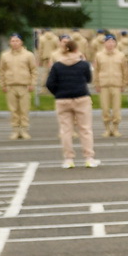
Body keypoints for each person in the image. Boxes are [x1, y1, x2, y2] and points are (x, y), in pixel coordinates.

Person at [46, 36, 97, 168]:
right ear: (77, 49)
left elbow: (50, 83)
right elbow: (88, 79)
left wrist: (58, 93)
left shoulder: (57, 65)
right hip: (81, 98)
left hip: (63, 100)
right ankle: (89, 158)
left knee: (66, 131)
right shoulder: (83, 64)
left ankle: (69, 159)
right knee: (85, 129)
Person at [89, 34, 127, 137]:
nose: (110, 44)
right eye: (108, 42)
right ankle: (107, 129)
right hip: (104, 85)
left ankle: (115, 129)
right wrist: (96, 84)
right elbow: (96, 71)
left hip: (116, 85)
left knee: (116, 109)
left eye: (112, 42)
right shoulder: (99, 55)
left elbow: (124, 70)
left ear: (115, 43)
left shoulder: (121, 55)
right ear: (104, 43)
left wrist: (124, 84)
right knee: (105, 108)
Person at [0, 34, 36, 138]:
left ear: (21, 42)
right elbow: (2, 71)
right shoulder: (5, 55)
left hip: (24, 86)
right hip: (10, 86)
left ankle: (24, 130)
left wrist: (32, 83)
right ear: (10, 43)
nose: (15, 43)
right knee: (13, 110)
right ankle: (15, 130)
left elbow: (33, 70)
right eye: (13, 41)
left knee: (24, 110)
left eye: (17, 41)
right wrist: (3, 84)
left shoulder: (28, 55)